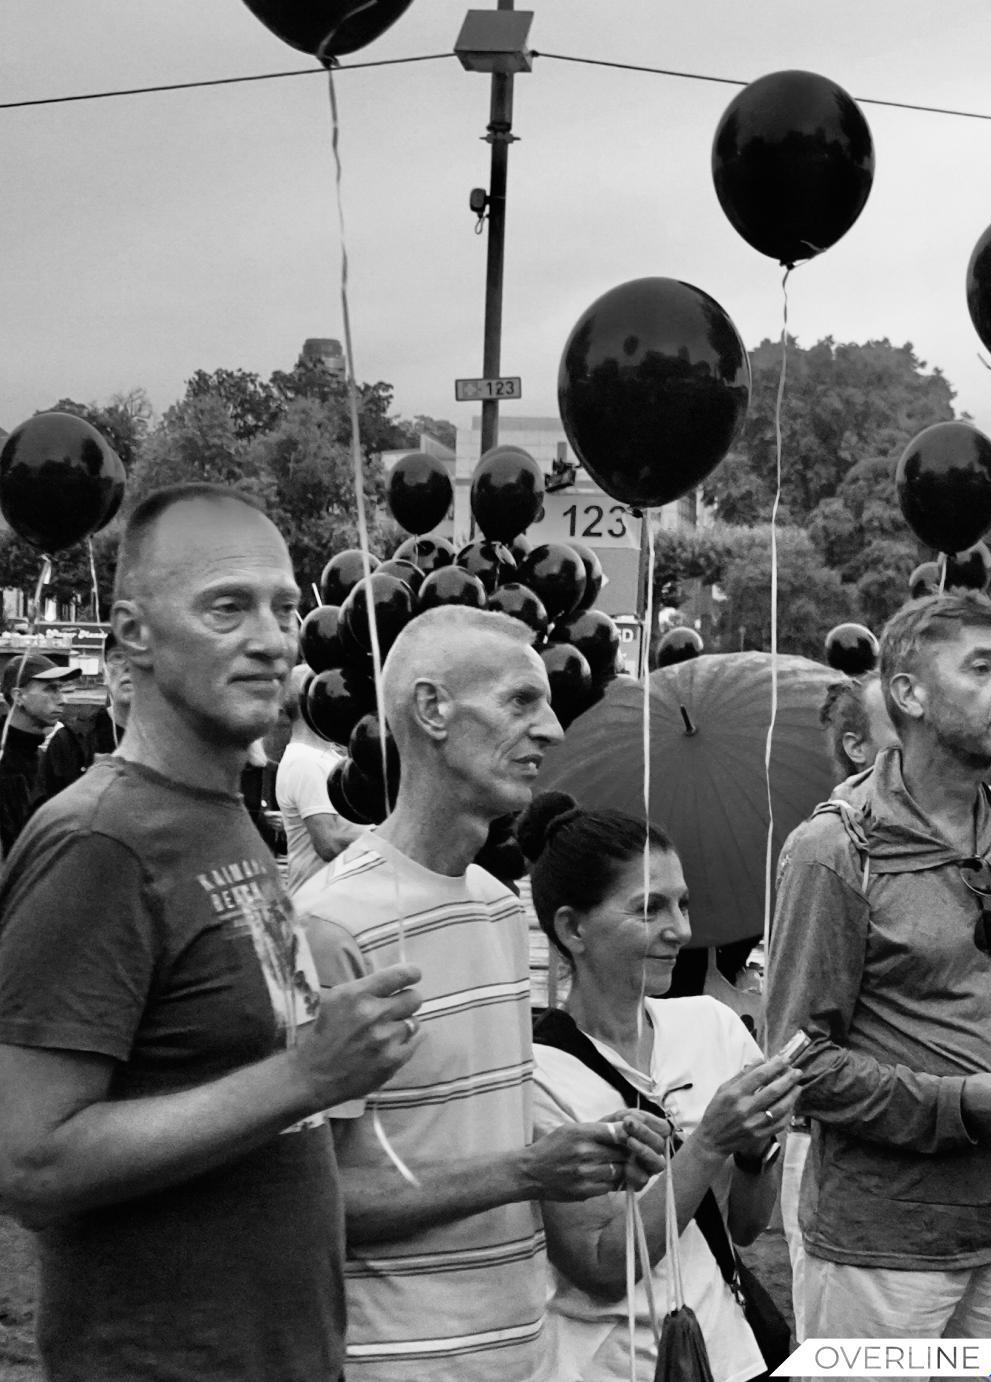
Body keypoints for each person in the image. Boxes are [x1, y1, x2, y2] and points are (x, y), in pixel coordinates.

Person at [0, 483, 425, 1382]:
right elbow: (26, 1162)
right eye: (225, 607)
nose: (271, 640)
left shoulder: (222, 809)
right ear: (132, 634)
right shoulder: (100, 840)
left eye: (283, 606)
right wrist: (307, 1075)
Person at [297, 608, 666, 1382]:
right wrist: (528, 1172)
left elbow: (475, 1123)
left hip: (524, 1351)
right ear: (432, 711)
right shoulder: (331, 923)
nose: (554, 730)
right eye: (520, 702)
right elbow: (306, 1201)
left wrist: (595, 1141)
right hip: (391, 1363)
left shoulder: (501, 907)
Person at [765, 591, 991, 1376]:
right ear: (908, 694)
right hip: (884, 1246)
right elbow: (798, 1061)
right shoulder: (832, 852)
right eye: (982, 667)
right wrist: (957, 1105)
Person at [520, 794, 801, 1382]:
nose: (681, 930)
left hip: (730, 1353)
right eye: (650, 908)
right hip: (612, 1364)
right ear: (573, 927)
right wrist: (708, 1144)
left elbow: (747, 1228)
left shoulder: (712, 1024)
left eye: (683, 904)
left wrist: (756, 1149)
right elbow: (598, 1267)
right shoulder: (538, 1074)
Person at [779, 672, 903, 1327]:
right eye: (901, 720)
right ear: (858, 747)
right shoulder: (829, 849)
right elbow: (799, 1042)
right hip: (839, 1154)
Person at [276, 665, 354, 894]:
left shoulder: (327, 757)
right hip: (318, 907)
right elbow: (328, 844)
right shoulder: (304, 761)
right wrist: (390, 839)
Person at [35, 631, 130, 807]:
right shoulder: (70, 744)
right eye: (118, 656)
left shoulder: (182, 742)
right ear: (105, 673)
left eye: (139, 656)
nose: (128, 666)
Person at [0, 652, 79, 855]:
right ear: (19, 696)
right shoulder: (6, 760)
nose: (62, 700)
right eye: (50, 689)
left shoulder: (40, 755)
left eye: (61, 689)